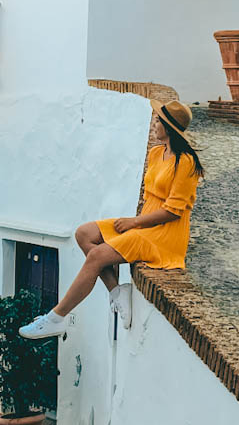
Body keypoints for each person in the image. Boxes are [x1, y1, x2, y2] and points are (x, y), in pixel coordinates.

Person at [20, 101, 204, 340]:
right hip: (146, 222)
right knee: (84, 234)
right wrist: (135, 223)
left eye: (158, 121)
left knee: (97, 257)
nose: (154, 125)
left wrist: (133, 223)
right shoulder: (157, 153)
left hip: (164, 234)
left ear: (168, 127)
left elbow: (174, 212)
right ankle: (117, 292)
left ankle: (56, 318)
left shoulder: (186, 162)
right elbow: (150, 196)